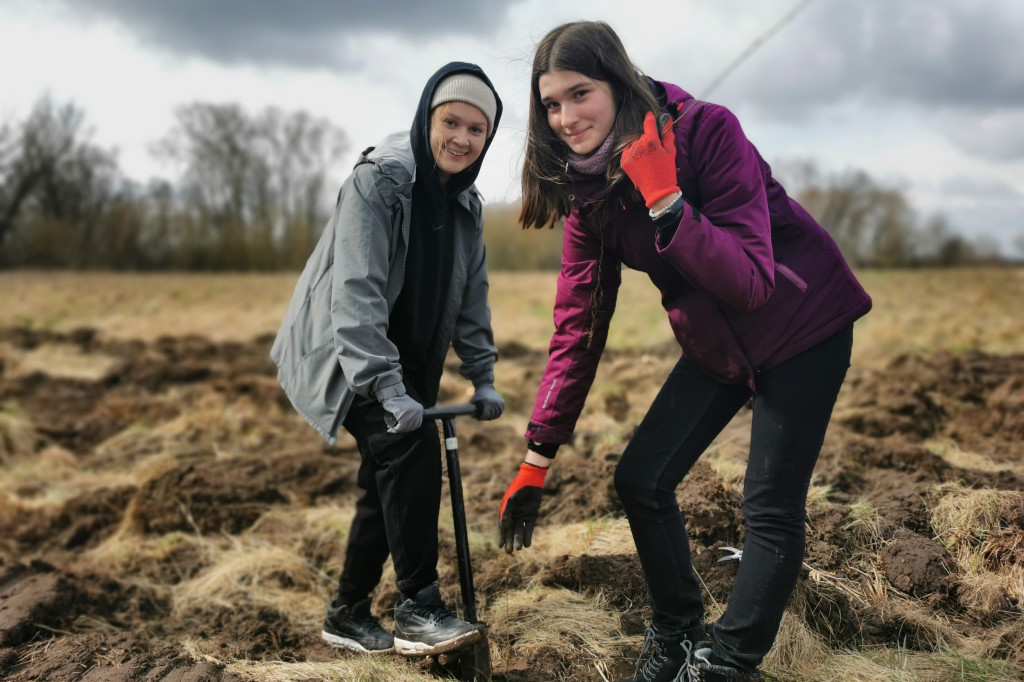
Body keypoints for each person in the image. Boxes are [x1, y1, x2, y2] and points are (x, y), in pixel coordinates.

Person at [497, 21, 871, 682]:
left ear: (617, 82)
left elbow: (752, 282)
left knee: (769, 506)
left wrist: (667, 198)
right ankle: (675, 628)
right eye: (550, 104)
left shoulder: (708, 131)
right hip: (715, 340)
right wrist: (538, 453)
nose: (565, 117)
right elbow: (577, 326)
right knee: (641, 478)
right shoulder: (590, 196)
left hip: (802, 322)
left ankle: (727, 664)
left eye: (579, 94)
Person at [271, 62, 506, 657]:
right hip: (350, 355)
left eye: (477, 130)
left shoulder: (466, 205)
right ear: (427, 117)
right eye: (450, 121)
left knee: (384, 485)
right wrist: (385, 385)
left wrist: (481, 375)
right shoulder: (378, 184)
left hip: (411, 363)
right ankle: (419, 605)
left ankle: (347, 612)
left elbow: (471, 295)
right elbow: (357, 291)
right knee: (408, 451)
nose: (461, 138)